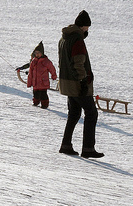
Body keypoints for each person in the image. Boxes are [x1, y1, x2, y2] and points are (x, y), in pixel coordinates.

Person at [58, 10, 104, 158]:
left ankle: (66, 145)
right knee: (91, 113)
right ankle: (88, 148)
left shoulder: (64, 38)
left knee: (74, 114)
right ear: (83, 26)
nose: (87, 30)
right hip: (78, 84)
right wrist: (83, 80)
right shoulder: (77, 40)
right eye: (87, 27)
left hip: (67, 83)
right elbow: (78, 62)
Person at [26, 41, 57, 109]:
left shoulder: (46, 61)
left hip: (43, 82)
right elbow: (30, 72)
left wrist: (54, 76)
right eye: (36, 53)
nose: (37, 54)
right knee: (35, 93)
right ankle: (36, 102)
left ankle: (44, 104)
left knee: (43, 94)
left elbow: (52, 69)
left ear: (42, 53)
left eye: (38, 53)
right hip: (35, 82)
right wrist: (29, 82)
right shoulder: (33, 61)